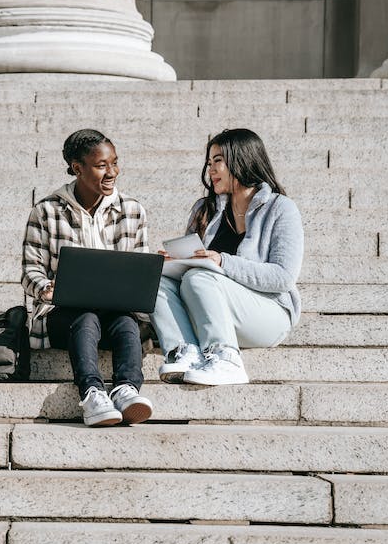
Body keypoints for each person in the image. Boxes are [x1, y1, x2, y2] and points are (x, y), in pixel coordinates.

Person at [22, 129, 154, 427]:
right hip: (63, 318)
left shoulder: (132, 211)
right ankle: (92, 393)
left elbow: (140, 267)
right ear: (77, 168)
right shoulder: (46, 211)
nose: (112, 172)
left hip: (116, 314)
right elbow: (30, 271)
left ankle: (126, 389)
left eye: (115, 163)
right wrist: (46, 289)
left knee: (126, 321)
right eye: (102, 165)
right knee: (85, 315)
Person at [152, 128, 303, 386]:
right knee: (155, 280)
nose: (210, 170)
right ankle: (185, 352)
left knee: (201, 277)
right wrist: (175, 261)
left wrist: (222, 261)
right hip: (208, 310)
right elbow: (192, 269)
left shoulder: (280, 209)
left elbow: (283, 278)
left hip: (268, 313)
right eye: (208, 163)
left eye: (218, 161)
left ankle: (226, 360)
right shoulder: (204, 209)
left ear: (242, 160)